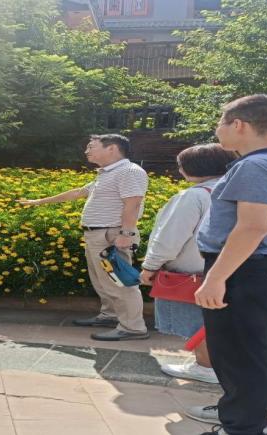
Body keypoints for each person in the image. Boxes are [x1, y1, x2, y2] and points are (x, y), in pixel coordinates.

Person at [184, 95, 267, 435]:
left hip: (243, 267)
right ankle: (247, 415)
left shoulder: (255, 166)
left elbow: (252, 227)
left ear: (238, 124)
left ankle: (243, 426)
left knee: (237, 352)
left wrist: (216, 278)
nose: (218, 131)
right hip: (263, 265)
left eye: (220, 123)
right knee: (253, 348)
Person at [20, 134, 150, 341]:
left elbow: (133, 204)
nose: (86, 151)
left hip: (112, 234)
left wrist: (127, 233)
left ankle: (133, 328)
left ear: (111, 148)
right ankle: (110, 316)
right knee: (102, 281)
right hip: (98, 234)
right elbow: (79, 192)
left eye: (91, 147)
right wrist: (39, 201)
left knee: (119, 281)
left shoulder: (129, 171)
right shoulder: (108, 173)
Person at [138, 143, 236, 384]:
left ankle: (206, 367)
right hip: (230, 270)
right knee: (218, 322)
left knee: (197, 323)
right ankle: (222, 365)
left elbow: (170, 238)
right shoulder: (236, 192)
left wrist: (150, 266)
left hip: (191, 273)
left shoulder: (194, 196)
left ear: (190, 168)